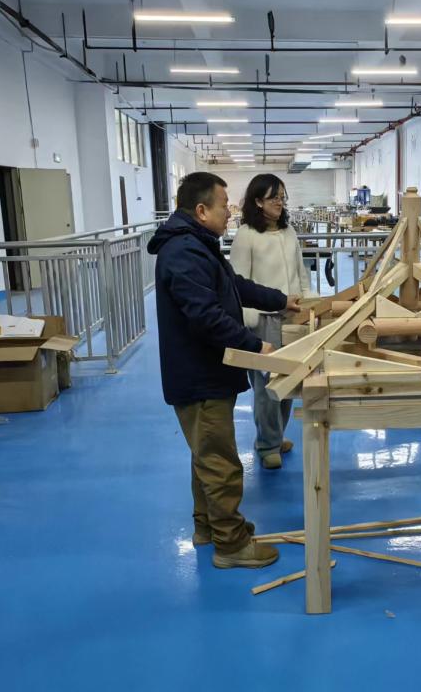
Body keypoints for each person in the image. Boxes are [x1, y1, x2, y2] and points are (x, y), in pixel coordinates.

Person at [147, 172, 301, 570]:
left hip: (203, 370)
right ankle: (231, 545)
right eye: (222, 206)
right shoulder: (184, 252)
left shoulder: (197, 245)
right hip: (199, 375)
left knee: (205, 455)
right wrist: (255, 345)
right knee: (220, 462)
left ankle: (207, 527)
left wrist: (281, 299)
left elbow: (235, 286)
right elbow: (206, 317)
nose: (229, 212)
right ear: (201, 210)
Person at [230, 174, 316, 470]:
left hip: (292, 315)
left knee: (289, 382)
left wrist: (309, 299)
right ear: (257, 201)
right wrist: (248, 318)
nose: (280, 203)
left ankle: (276, 437)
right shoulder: (246, 235)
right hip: (262, 320)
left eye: (282, 197)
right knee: (266, 387)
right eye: (273, 198)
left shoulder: (288, 231)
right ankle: (267, 444)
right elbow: (238, 282)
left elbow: (301, 272)